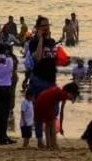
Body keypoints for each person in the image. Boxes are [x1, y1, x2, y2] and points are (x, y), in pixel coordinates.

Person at [28, 16, 60, 146]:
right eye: (44, 26)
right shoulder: (33, 42)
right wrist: (40, 38)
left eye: (48, 25)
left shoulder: (52, 41)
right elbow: (37, 58)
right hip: (38, 80)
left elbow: (53, 59)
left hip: (51, 80)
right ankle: (40, 140)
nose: (46, 28)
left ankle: (51, 140)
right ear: (38, 28)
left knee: (53, 111)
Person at [34, 81, 79, 149]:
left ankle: (50, 144)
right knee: (50, 123)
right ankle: (51, 145)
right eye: (73, 96)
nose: (71, 99)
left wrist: (61, 127)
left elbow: (60, 112)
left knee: (50, 123)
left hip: (41, 100)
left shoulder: (61, 93)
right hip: (44, 102)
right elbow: (56, 109)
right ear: (70, 92)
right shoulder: (62, 94)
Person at [0, 43, 16, 144]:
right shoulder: (9, 60)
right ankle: (3, 137)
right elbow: (10, 70)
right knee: (5, 114)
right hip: (6, 88)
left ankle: (1, 135)